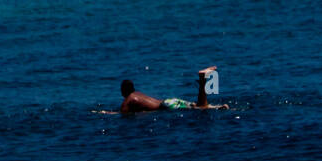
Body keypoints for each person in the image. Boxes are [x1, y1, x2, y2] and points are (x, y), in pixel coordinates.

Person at [98, 67, 229, 113]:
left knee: (199, 108)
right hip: (169, 101)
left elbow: (123, 114)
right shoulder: (137, 94)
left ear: (123, 91)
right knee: (198, 106)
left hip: (166, 107)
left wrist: (107, 113)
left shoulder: (128, 100)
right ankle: (218, 107)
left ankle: (202, 79)